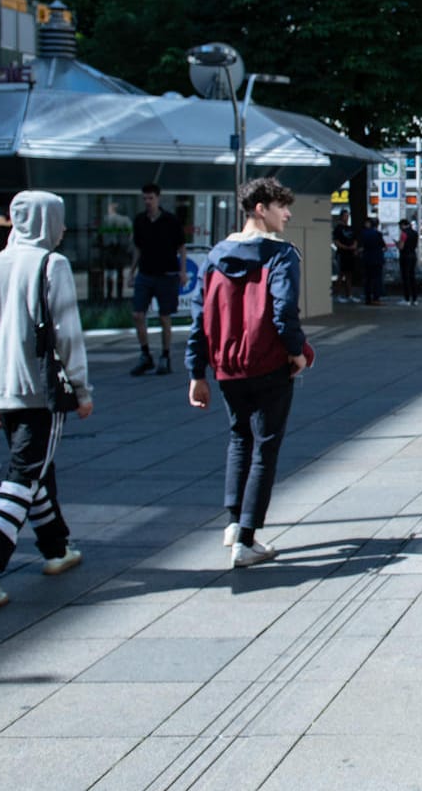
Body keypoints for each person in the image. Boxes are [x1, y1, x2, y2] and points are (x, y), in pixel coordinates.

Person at [0, 190, 92, 608]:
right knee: (24, 475)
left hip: (3, 387)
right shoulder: (53, 264)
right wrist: (82, 389)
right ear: (47, 222)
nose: (64, 228)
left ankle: (56, 548)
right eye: (59, 219)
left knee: (34, 470)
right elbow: (68, 334)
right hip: (41, 388)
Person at [187, 177, 310, 568]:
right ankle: (247, 538)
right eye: (281, 206)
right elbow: (283, 310)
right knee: (265, 446)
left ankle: (232, 521)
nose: (288, 213)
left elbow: (198, 317)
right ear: (261, 208)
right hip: (268, 363)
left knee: (239, 438)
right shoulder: (281, 254)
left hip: (227, 367)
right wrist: (297, 353)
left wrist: (197, 371)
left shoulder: (215, 256)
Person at [129, 183, 187, 375]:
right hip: (146, 273)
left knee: (164, 316)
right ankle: (145, 354)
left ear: (158, 198)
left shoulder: (170, 221)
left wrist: (183, 271)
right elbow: (138, 248)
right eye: (145, 198)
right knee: (138, 314)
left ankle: (165, 355)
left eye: (151, 198)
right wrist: (132, 272)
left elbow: (181, 247)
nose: (147, 202)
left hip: (167, 274)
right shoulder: (140, 221)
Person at [358, 217, 387, 305]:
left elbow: (361, 247)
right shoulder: (378, 234)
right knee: (377, 279)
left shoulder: (363, 234)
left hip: (367, 259)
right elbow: (384, 247)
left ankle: (368, 298)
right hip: (377, 259)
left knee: (368, 279)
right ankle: (376, 298)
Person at [331, 211, 358, 303]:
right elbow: (336, 242)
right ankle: (337, 295)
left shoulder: (350, 228)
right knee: (341, 274)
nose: (346, 218)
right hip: (342, 254)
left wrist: (354, 247)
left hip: (350, 255)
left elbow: (355, 239)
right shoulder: (338, 228)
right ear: (341, 217)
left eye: (348, 216)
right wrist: (346, 247)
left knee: (349, 275)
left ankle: (349, 294)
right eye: (345, 216)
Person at [398, 219, 421, 305]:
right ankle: (415, 299)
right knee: (412, 277)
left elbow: (401, 246)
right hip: (413, 255)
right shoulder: (415, 233)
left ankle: (407, 298)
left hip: (405, 256)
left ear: (403, 225)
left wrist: (397, 244)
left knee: (405, 277)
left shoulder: (404, 233)